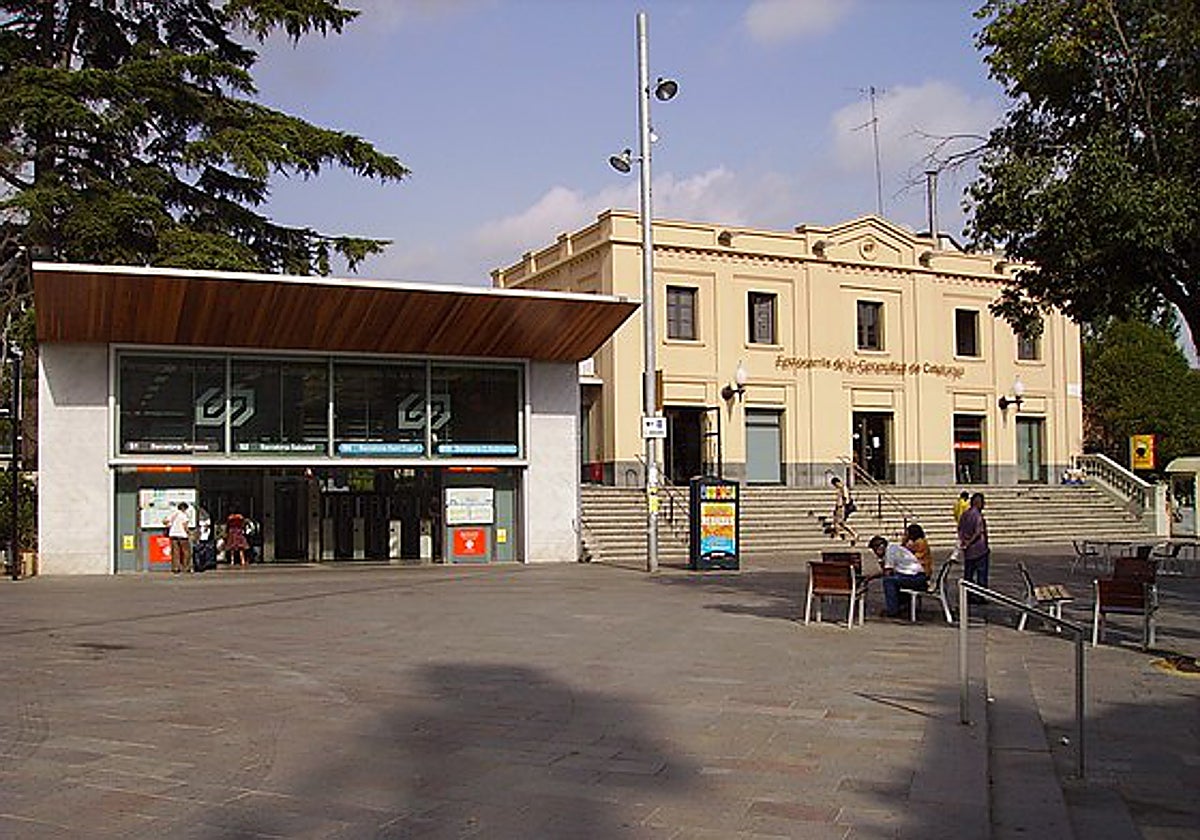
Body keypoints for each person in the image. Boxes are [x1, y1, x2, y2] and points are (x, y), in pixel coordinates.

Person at [865, 535, 928, 618]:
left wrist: (870, 577)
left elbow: (887, 572)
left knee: (888, 581)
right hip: (915, 576)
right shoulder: (893, 548)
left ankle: (892, 611)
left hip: (916, 578)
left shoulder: (890, 552)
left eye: (875, 550)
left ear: (881, 546)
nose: (875, 553)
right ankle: (901, 605)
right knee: (894, 579)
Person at [958, 492, 990, 591]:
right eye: (983, 502)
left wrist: (964, 541)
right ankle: (981, 594)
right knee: (981, 574)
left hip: (968, 551)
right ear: (978, 503)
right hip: (979, 549)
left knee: (969, 574)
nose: (984, 505)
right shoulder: (978, 516)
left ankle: (968, 593)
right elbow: (978, 532)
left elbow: (960, 529)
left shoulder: (965, 514)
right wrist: (970, 542)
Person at [163, 501, 192, 574]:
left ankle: (175, 568)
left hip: (173, 534)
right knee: (186, 552)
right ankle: (186, 568)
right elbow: (185, 526)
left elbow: (165, 521)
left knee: (175, 552)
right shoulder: (183, 515)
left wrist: (170, 526)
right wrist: (189, 533)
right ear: (184, 508)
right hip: (182, 535)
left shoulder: (173, 514)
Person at [828, 475, 858, 544]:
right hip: (840, 507)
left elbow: (846, 498)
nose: (835, 486)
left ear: (837, 482)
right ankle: (841, 534)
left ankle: (853, 534)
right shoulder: (841, 488)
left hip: (841, 507)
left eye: (835, 484)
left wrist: (842, 507)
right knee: (839, 522)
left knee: (840, 522)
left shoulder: (843, 488)